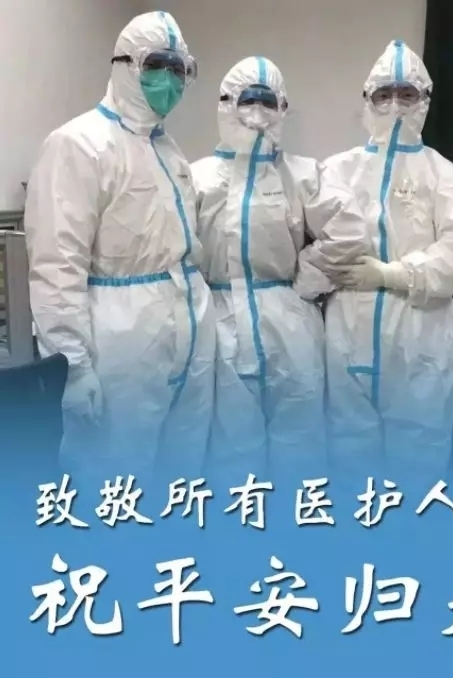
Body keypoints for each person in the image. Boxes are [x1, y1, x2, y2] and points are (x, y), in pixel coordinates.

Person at [24, 11, 216, 481]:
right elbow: (57, 266)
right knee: (115, 476)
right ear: (124, 65)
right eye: (157, 65)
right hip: (119, 344)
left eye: (178, 69)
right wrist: (72, 365)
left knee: (181, 468)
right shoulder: (78, 145)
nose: (169, 79)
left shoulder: (168, 150)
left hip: (186, 332)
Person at [190, 56, 369, 482]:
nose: (256, 114)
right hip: (221, 322)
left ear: (283, 108)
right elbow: (177, 251)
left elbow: (349, 231)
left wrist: (306, 279)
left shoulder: (303, 174)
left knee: (299, 443)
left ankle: (297, 522)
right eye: (246, 101)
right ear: (225, 104)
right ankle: (240, 523)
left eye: (267, 102)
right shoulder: (197, 178)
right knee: (231, 449)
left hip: (290, 323)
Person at [322, 40, 453, 482]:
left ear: (425, 101)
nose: (395, 105)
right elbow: (308, 238)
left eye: (407, 94)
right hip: (347, 333)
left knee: (416, 458)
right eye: (384, 94)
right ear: (367, 99)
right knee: (347, 455)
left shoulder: (447, 179)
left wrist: (391, 274)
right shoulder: (336, 172)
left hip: (418, 336)